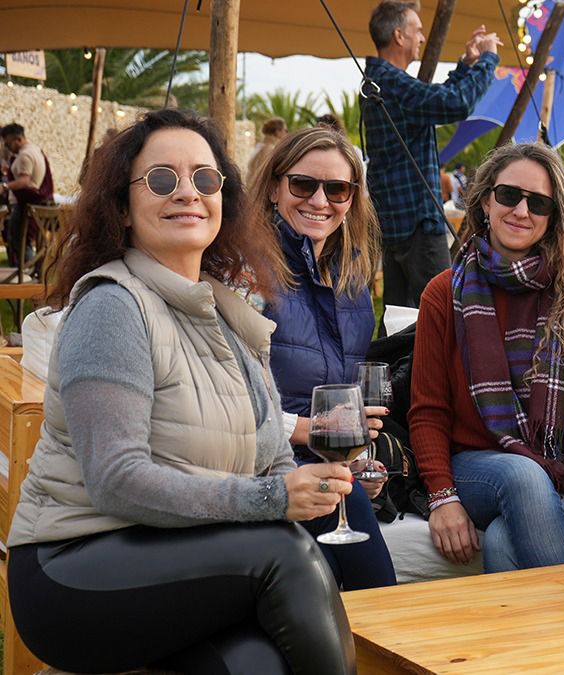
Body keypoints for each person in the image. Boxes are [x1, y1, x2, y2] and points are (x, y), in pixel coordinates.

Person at [6, 109, 356, 674]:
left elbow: (271, 459)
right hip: (71, 567)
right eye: (162, 179)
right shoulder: (113, 306)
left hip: (178, 557)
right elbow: (117, 480)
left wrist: (308, 487)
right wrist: (271, 499)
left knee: (255, 664)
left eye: (205, 178)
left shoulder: (229, 318)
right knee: (286, 555)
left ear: (224, 201)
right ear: (122, 206)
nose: (187, 192)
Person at [408, 143, 564, 572]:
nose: (521, 211)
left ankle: (537, 620)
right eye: (509, 195)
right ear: (486, 201)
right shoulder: (443, 293)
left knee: (502, 541)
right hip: (478, 466)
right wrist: (442, 497)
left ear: (553, 217)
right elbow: (428, 411)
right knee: (522, 475)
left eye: (538, 203)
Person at [248, 127, 397, 591]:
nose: (319, 200)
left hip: (324, 469)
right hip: (261, 465)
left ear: (352, 199)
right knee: (357, 579)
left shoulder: (352, 279)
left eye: (337, 189)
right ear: (274, 188)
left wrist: (359, 462)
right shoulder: (245, 272)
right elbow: (224, 399)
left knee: (362, 577)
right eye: (303, 184)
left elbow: (344, 397)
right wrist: (307, 430)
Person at [364, 1, 500, 309]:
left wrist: (466, 64)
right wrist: (488, 59)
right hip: (417, 223)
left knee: (401, 316)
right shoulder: (392, 82)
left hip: (397, 221)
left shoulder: (383, 81)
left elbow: (433, 102)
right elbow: (456, 103)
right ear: (399, 36)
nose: (422, 38)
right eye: (418, 30)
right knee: (442, 311)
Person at [0, 122, 54, 266]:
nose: (7, 147)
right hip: (28, 204)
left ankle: (27, 272)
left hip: (25, 205)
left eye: (8, 143)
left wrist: (4, 187)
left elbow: (24, 181)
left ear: (18, 139)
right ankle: (29, 271)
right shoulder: (34, 150)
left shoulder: (25, 155)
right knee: (20, 241)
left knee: (20, 242)